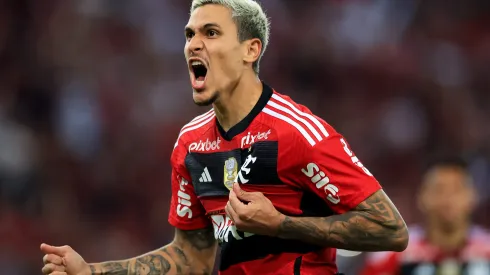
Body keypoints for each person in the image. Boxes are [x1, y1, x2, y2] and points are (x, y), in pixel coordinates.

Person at [40, 0, 409, 274]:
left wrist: (282, 225)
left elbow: (390, 230)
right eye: (189, 34)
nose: (193, 45)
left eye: (210, 33)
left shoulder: (297, 132)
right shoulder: (190, 143)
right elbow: (192, 257)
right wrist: (93, 271)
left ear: (251, 50)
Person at [360, 156, 490, 275]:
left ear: (473, 196)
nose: (448, 199)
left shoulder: (486, 250)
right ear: (422, 197)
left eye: (456, 190)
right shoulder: (394, 254)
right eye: (439, 190)